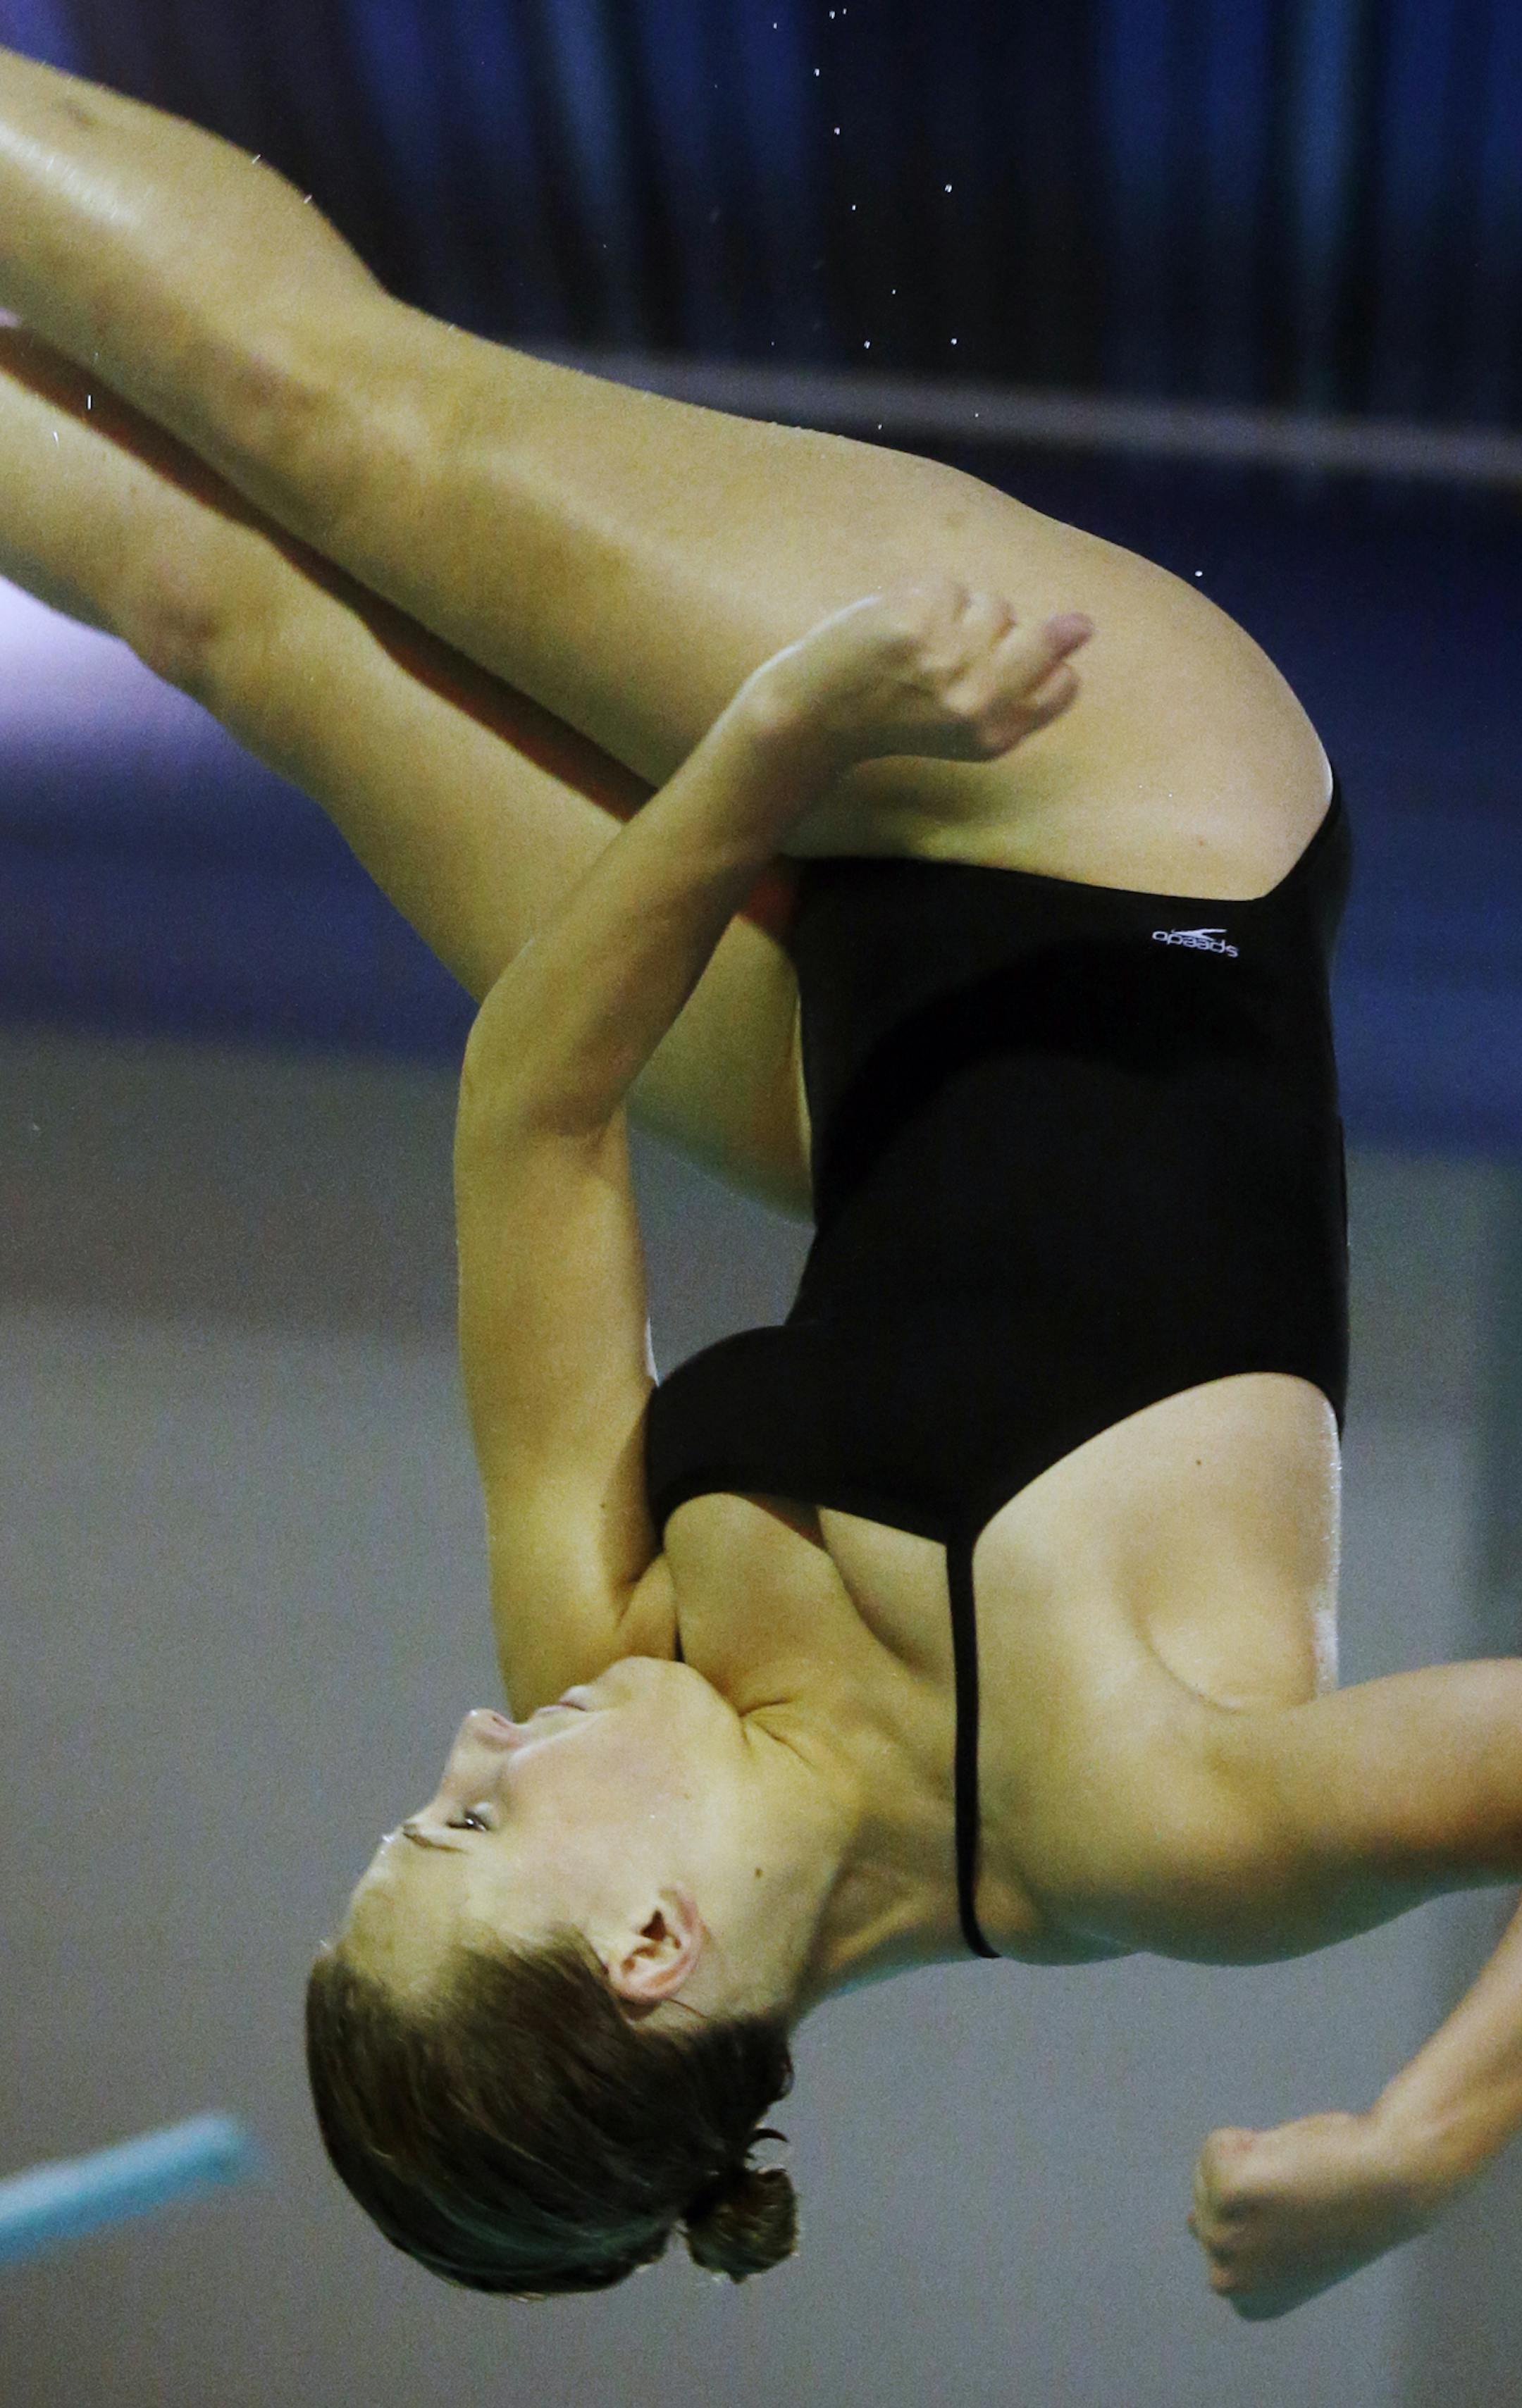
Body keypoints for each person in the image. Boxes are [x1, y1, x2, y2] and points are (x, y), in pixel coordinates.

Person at [4, 42, 1522, 2323]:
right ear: (651, 1947)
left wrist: (768, 753)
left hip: (860, 1054)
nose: (476, 1741)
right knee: (335, 422)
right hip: (1133, 822)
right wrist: (1423, 2146)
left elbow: (535, 1108)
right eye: (466, 1822)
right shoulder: (1143, 1813)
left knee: (236, 614)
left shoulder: (604, 1658)